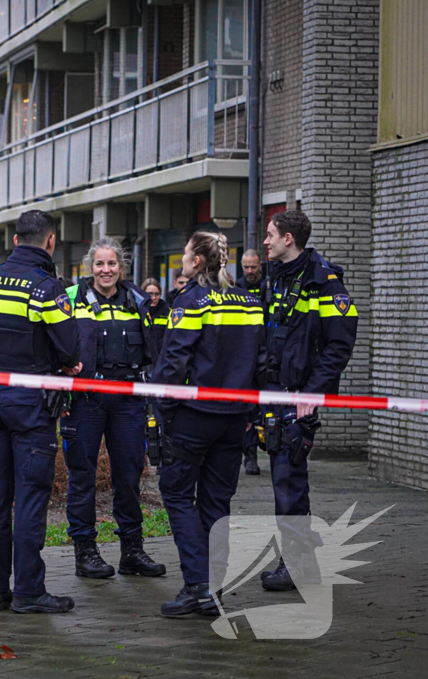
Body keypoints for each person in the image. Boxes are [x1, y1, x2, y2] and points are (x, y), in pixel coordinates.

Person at [151, 231, 266, 617]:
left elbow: (173, 361)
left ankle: (198, 585)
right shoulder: (250, 301)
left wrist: (164, 409)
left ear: (197, 261)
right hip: (234, 419)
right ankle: (213, 589)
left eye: (186, 253)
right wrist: (250, 413)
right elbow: (261, 361)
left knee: (177, 494)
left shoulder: (190, 301)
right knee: (217, 502)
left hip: (195, 417)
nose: (183, 258)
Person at [0, 210, 82, 614]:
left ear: (16, 240)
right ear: (51, 241)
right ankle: (28, 592)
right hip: (31, 404)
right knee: (31, 497)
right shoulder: (46, 288)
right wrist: (66, 363)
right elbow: (69, 347)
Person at [259, 210, 357, 592]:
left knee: (289, 482)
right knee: (284, 481)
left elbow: (339, 345)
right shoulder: (276, 277)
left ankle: (297, 566)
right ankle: (299, 560)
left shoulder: (324, 281)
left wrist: (314, 391)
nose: (265, 241)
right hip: (273, 395)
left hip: (298, 397)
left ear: (288, 239)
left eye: (270, 235)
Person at [60, 244, 166, 582]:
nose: (106, 270)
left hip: (127, 399)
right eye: (99, 264)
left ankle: (132, 551)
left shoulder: (139, 299)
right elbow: (54, 341)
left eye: (112, 263)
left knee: (129, 475)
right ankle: (85, 552)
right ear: (89, 266)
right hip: (86, 399)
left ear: (122, 266)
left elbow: (156, 346)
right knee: (82, 476)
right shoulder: (71, 297)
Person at [236, 249, 265, 475]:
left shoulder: (269, 286)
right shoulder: (237, 288)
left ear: (260, 265)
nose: (249, 271)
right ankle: (250, 455)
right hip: (245, 352)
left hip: (266, 349)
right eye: (246, 267)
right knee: (248, 406)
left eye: (253, 267)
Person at [142, 277, 170, 358]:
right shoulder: (137, 311)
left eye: (157, 294)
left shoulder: (167, 312)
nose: (154, 298)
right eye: (150, 294)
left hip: (162, 358)